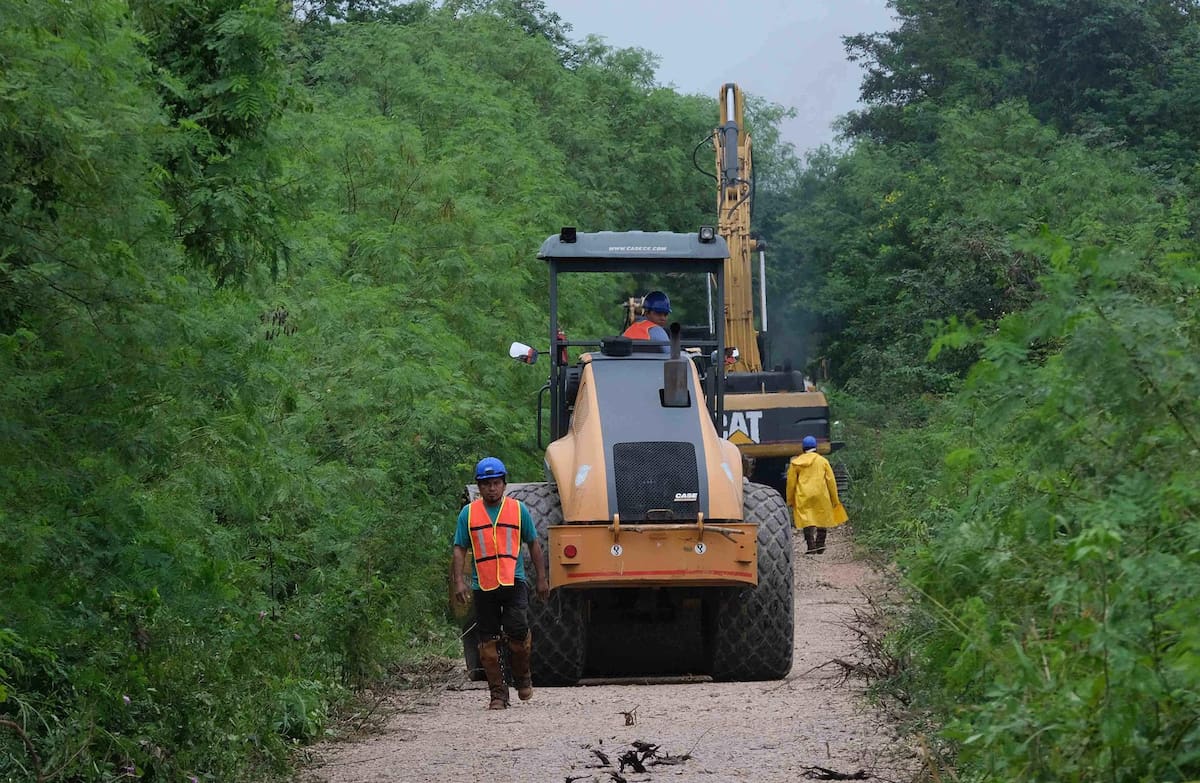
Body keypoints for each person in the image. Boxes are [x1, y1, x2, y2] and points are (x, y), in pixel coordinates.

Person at [451, 457, 549, 709]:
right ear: (479, 487)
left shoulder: (518, 510)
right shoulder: (468, 514)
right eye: (486, 484)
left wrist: (541, 579)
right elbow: (460, 548)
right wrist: (459, 582)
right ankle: (498, 695)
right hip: (482, 585)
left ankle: (523, 677)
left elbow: (534, 545)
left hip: (513, 581)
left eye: (496, 483)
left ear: (504, 484)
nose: (491, 488)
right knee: (488, 643)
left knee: (518, 634)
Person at [785, 435, 848, 554]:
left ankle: (811, 547)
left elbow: (791, 483)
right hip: (821, 494)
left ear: (803, 448)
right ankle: (820, 545)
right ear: (815, 447)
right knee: (821, 518)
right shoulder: (823, 461)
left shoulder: (796, 463)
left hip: (803, 495)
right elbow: (831, 481)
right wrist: (835, 500)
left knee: (806, 520)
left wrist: (790, 499)